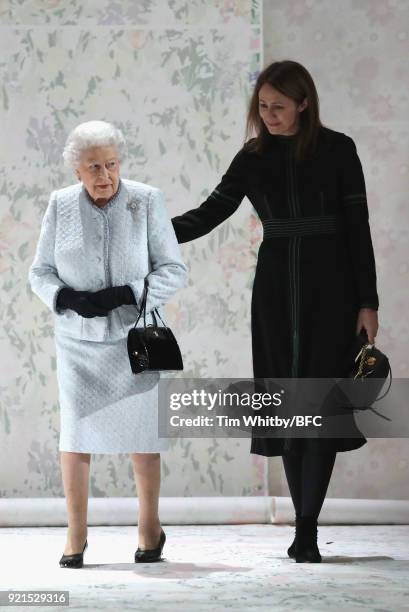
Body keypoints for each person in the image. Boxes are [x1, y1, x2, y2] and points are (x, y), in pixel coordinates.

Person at [171, 60, 379, 563]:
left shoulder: (338, 149)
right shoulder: (252, 155)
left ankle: (307, 527)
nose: (269, 116)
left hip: (333, 288)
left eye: (279, 107)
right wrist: (148, 232)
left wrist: (368, 301)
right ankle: (300, 523)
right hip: (273, 292)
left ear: (304, 104)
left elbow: (359, 229)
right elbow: (208, 213)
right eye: (263, 107)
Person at [28, 120, 188, 567]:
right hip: (78, 343)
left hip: (133, 339)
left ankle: (149, 529)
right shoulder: (60, 205)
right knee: (76, 436)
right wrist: (67, 297)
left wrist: (131, 292)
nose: (105, 175)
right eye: (94, 166)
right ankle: (75, 537)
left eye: (112, 164)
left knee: (144, 436)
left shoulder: (146, 199)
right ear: (77, 170)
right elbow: (39, 271)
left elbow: (173, 269)